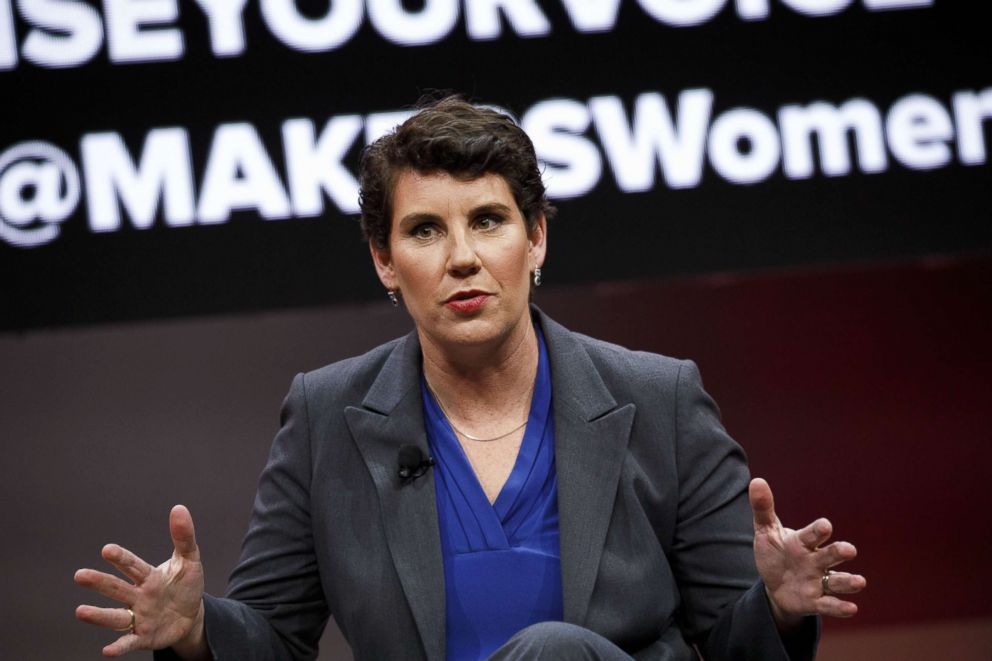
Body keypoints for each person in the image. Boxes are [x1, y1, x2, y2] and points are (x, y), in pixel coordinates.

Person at [75, 96, 866, 660]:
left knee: (554, 652)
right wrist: (199, 632)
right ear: (386, 261)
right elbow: (278, 638)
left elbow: (737, 645)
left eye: (488, 220)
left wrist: (780, 609)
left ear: (537, 239)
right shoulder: (328, 415)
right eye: (425, 229)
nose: (462, 256)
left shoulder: (659, 399)